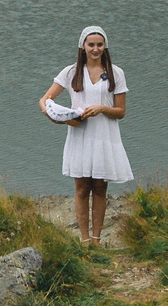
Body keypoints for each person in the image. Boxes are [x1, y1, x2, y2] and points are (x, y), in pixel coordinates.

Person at [39, 26, 130, 245]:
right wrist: (56, 115)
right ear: (83, 46)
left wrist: (101, 109)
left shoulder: (116, 73)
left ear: (104, 46)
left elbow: (120, 112)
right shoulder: (71, 72)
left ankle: (97, 239)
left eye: (99, 45)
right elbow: (45, 100)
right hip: (80, 135)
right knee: (81, 189)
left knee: (100, 188)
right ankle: (84, 239)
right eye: (91, 45)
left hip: (104, 136)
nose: (95, 49)